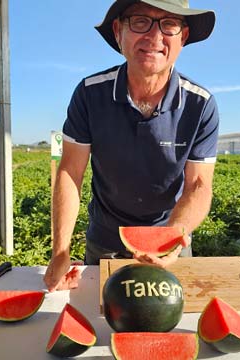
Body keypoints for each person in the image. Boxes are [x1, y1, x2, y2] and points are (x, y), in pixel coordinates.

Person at [44, 0, 220, 292]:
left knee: (164, 316)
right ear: (118, 31)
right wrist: (61, 251)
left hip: (171, 235)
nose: (154, 37)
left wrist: (173, 236)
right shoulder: (90, 93)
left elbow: (199, 185)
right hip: (104, 241)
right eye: (140, 21)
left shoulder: (200, 104)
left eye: (169, 24)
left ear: (183, 37)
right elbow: (70, 172)